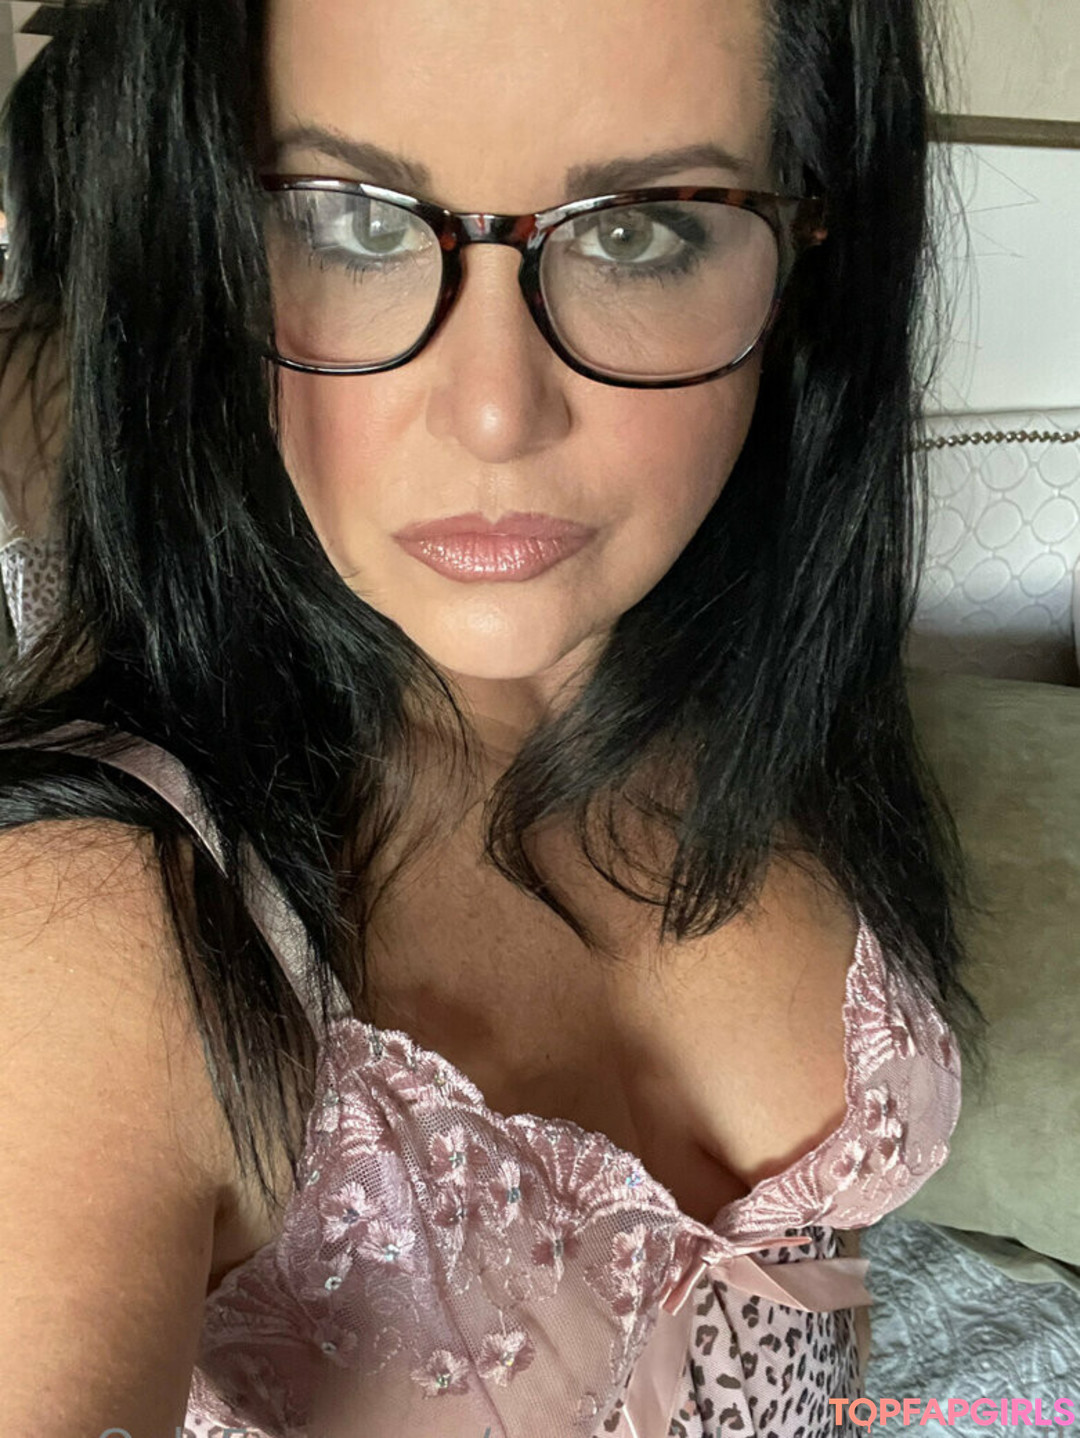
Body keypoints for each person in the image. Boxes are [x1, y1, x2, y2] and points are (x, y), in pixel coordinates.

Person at [0, 0, 986, 1434]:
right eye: (352, 222)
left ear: (808, 246)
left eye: (637, 229)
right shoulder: (88, 930)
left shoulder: (755, 671)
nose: (493, 415)